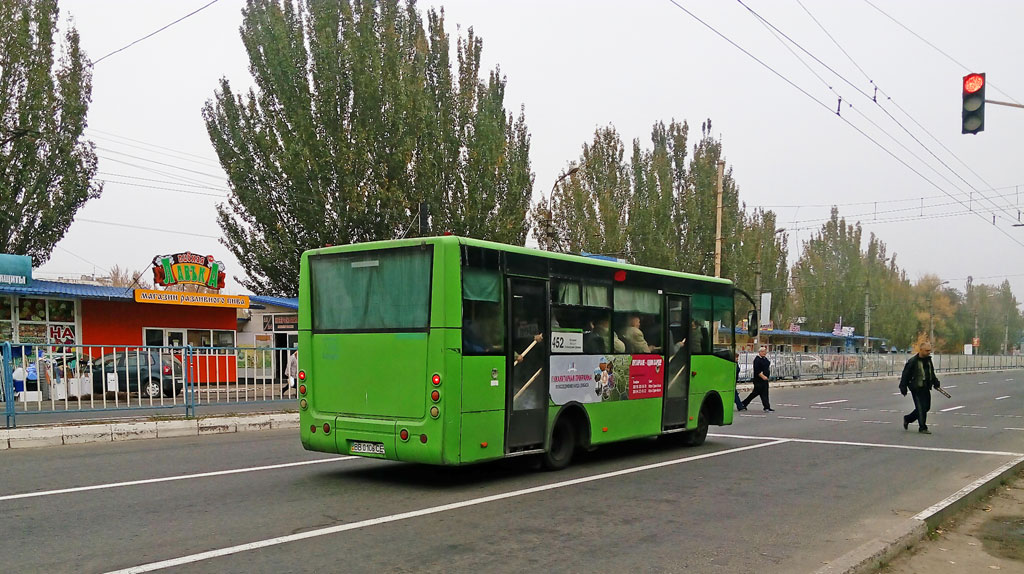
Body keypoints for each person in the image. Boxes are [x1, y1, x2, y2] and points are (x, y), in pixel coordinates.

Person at [899, 341, 940, 434]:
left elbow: (931, 373)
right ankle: (922, 427)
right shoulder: (913, 361)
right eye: (926, 350)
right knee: (921, 408)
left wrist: (935, 382)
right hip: (916, 388)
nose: (929, 352)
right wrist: (903, 387)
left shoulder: (928, 360)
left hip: (926, 387)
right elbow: (905, 375)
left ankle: (908, 418)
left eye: (929, 350)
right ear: (921, 350)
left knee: (926, 407)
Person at [742, 346, 773, 412]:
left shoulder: (765, 359)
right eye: (763, 351)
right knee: (755, 393)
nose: (765, 353)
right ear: (760, 352)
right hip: (759, 380)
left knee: (764, 393)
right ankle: (744, 403)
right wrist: (763, 376)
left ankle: (767, 407)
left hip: (764, 380)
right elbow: (757, 370)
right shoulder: (757, 360)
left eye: (765, 352)